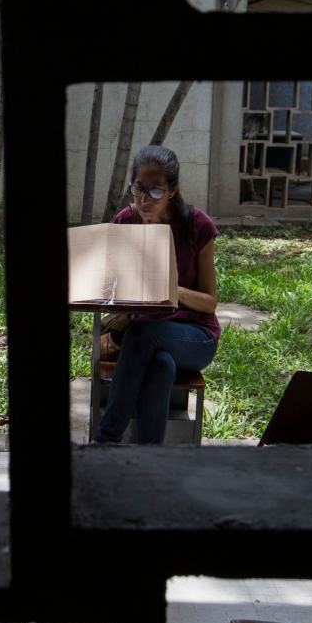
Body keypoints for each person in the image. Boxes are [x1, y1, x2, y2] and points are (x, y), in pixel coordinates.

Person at [93, 145, 220, 444]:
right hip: (145, 336)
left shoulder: (197, 225)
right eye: (139, 188)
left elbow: (210, 301)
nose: (144, 199)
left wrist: (172, 290)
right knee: (161, 364)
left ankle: (105, 441)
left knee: (143, 334)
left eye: (155, 191)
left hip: (195, 336)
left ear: (172, 190)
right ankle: (151, 458)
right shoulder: (125, 222)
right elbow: (109, 286)